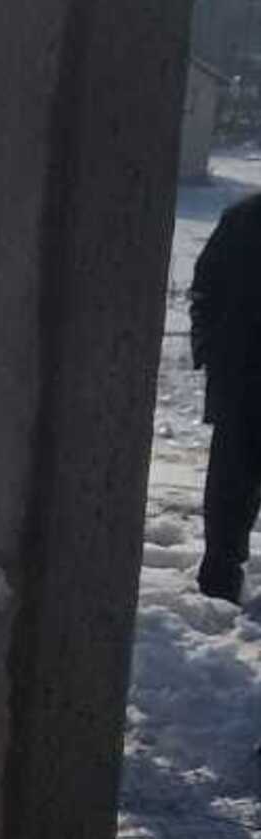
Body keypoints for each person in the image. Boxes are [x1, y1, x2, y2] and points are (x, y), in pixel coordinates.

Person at [189, 193, 261, 605]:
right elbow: (205, 288)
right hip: (241, 384)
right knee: (229, 494)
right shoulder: (242, 219)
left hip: (237, 379)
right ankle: (218, 591)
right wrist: (208, 348)